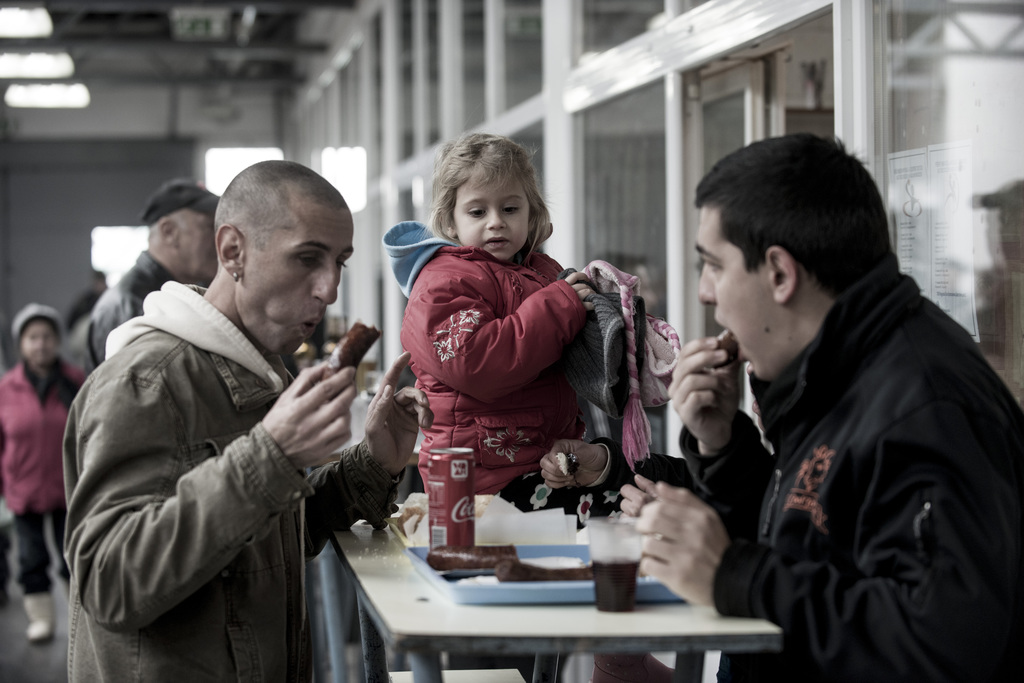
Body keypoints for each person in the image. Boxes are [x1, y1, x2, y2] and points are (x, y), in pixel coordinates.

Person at [541, 133, 1024, 682]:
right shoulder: (845, 371)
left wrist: (732, 574)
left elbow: (943, 644)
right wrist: (725, 449)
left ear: (779, 273)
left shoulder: (929, 406)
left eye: (714, 265)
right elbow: (819, 539)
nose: (704, 291)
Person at [63, 160, 433, 681]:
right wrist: (271, 455)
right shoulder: (147, 383)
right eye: (307, 258)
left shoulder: (254, 372)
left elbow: (265, 544)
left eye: (339, 262)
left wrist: (369, 465)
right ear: (232, 251)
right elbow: (109, 583)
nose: (329, 289)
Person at [382, 132, 644, 525]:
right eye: (477, 212)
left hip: (544, 460)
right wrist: (559, 307)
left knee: (615, 519)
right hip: (479, 479)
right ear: (449, 219)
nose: (496, 223)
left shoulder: (543, 273)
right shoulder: (442, 284)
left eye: (509, 208)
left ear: (530, 211)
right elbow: (478, 363)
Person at [0, 303, 85, 642]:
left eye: (47, 336)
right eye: (33, 337)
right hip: (23, 492)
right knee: (30, 559)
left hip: (68, 489)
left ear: (57, 341)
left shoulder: (75, 382)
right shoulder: (6, 388)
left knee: (73, 559)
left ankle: (81, 619)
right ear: (21, 344)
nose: (41, 344)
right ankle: (42, 621)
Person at [85, 178, 220, 372]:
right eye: (209, 227)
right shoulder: (132, 307)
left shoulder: (172, 296)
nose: (220, 239)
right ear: (169, 232)